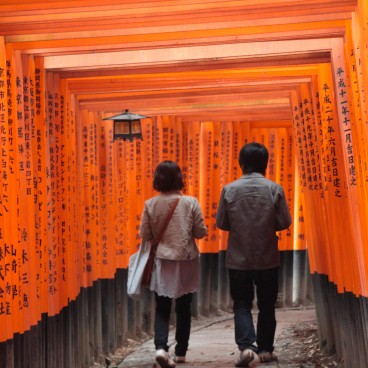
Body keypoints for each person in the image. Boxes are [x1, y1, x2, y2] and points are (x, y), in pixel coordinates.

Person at [216, 142, 292, 368]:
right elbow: (284, 222)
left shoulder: (229, 189)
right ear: (265, 164)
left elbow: (221, 222)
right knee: (267, 304)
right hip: (267, 255)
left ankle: (248, 347)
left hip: (238, 257)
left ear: (241, 164)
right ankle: (266, 350)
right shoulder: (274, 188)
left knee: (241, 304)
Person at [139, 160, 207, 368]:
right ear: (179, 178)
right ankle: (181, 352)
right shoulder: (191, 202)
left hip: (162, 260)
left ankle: (161, 348)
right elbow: (200, 232)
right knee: (184, 307)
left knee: (162, 307)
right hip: (185, 259)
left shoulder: (150, 204)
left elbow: (145, 234)